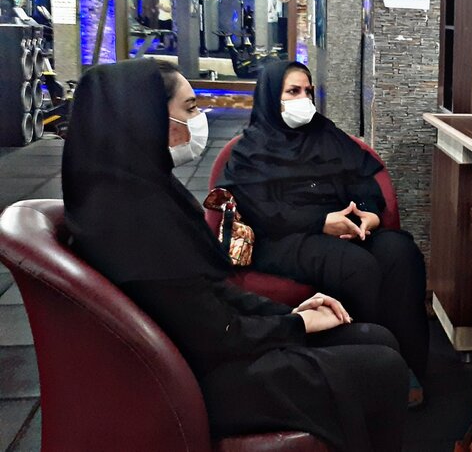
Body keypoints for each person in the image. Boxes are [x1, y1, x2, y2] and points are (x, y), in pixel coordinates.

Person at [61, 59, 407, 452]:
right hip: (199, 378)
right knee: (383, 367)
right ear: (146, 119)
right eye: (190, 108)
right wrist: (295, 325)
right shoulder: (130, 218)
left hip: (216, 348)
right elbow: (209, 332)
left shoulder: (146, 191)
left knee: (377, 335)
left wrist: (287, 312)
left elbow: (208, 294)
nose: (199, 119)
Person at [221, 61, 430, 405]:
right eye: (293, 92)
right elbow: (262, 211)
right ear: (271, 97)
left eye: (308, 91)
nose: (304, 99)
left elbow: (362, 180)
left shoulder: (326, 135)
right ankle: (370, 369)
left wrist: (369, 215)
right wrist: (321, 221)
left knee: (399, 252)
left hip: (343, 226)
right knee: (356, 267)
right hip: (283, 238)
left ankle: (407, 362)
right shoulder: (250, 150)